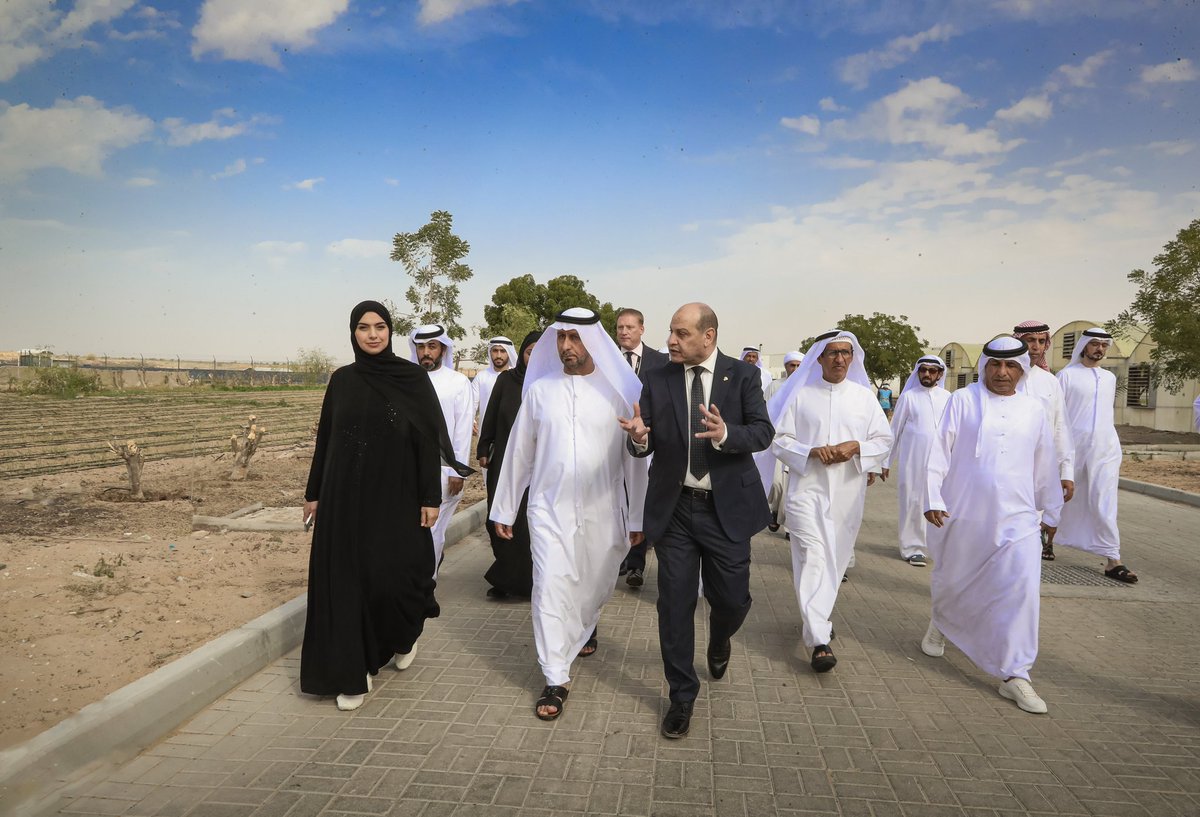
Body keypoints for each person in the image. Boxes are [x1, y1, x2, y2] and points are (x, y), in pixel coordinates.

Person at [300, 301, 471, 711]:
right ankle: (354, 671)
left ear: (390, 332)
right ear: (353, 333)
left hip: (395, 497)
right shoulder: (342, 380)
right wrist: (314, 493)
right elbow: (326, 439)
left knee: (394, 579)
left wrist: (430, 497)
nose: (372, 334)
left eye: (380, 327)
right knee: (346, 583)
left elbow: (426, 440)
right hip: (344, 499)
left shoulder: (410, 378)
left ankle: (403, 634)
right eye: (363, 327)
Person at [619, 303, 773, 739]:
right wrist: (637, 438)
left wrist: (726, 435)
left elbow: (763, 432)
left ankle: (721, 637)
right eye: (670, 331)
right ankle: (681, 696)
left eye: (682, 333)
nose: (671, 340)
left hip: (727, 511)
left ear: (708, 336)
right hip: (676, 511)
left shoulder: (742, 376)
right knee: (674, 606)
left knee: (731, 599)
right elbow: (644, 441)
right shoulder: (657, 378)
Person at [490, 308, 647, 721]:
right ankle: (556, 676)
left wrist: (637, 518)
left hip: (603, 509)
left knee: (594, 584)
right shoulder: (540, 390)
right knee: (548, 587)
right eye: (560, 338)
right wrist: (505, 506)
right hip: (548, 509)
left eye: (574, 339)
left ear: (592, 342)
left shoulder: (618, 392)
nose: (565, 347)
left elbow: (635, 461)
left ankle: (581, 629)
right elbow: (519, 453)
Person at [921, 336, 1063, 714]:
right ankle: (943, 620)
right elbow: (939, 451)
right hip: (964, 512)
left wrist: (1051, 511)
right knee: (954, 580)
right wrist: (932, 497)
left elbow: (1044, 461)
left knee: (1021, 591)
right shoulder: (962, 401)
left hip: (1019, 518)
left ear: (1023, 369)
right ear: (984, 366)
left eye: (1011, 366)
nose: (1002, 373)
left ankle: (1016, 673)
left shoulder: (1034, 409)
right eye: (995, 366)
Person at [767, 330, 892, 673]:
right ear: (819, 358)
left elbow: (884, 439)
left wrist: (856, 447)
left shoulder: (865, 398)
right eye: (832, 353)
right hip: (806, 490)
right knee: (813, 556)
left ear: (853, 358)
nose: (839, 359)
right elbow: (779, 441)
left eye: (846, 353)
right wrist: (810, 451)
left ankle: (814, 620)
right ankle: (819, 640)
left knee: (834, 562)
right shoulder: (801, 395)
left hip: (848, 495)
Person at [1055, 328, 1138, 583]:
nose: (1100, 349)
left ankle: (1113, 559)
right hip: (1073, 446)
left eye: (1104, 344)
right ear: (1083, 346)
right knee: (1060, 497)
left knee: (1104, 500)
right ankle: (1047, 541)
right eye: (1094, 344)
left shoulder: (1109, 378)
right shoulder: (1066, 376)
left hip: (1105, 448)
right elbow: (1058, 416)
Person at [409, 325, 475, 579]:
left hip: (443, 470)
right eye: (421, 347)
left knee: (433, 531)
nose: (426, 352)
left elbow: (461, 428)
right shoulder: (408, 379)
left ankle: (428, 584)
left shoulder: (457, 382)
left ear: (443, 349)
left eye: (432, 347)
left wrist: (457, 471)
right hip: (409, 468)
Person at [477, 330, 539, 599]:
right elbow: (490, 415)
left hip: (537, 466)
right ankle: (506, 576)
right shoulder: (506, 381)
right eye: (529, 351)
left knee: (527, 524)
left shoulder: (550, 384)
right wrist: (483, 447)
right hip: (503, 462)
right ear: (523, 354)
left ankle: (528, 581)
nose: (534, 357)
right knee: (500, 517)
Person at [1012, 320, 1075, 561]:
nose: (1036, 347)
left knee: (1032, 529)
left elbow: (1060, 428)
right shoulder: (1003, 376)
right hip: (1007, 464)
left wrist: (1066, 471)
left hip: (1041, 467)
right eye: (1030, 340)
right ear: (1018, 341)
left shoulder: (1050, 382)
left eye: (1041, 341)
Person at [615, 307, 669, 587]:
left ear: (642, 329)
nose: (624, 332)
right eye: (620, 328)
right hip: (612, 440)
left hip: (648, 441)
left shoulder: (660, 361)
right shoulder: (606, 360)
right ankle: (618, 556)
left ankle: (636, 563)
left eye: (629, 327)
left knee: (642, 500)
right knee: (618, 498)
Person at [889, 355, 950, 567]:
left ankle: (933, 546)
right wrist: (885, 462)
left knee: (937, 501)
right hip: (912, 460)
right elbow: (894, 431)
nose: (927, 374)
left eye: (932, 371)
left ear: (940, 374)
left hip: (942, 462)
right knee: (913, 501)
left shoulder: (948, 397)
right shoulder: (909, 397)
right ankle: (912, 548)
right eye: (923, 370)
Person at [760, 351, 804, 533]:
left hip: (800, 444)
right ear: (786, 367)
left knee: (792, 487)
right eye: (791, 365)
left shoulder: (808, 387)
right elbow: (766, 410)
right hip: (777, 440)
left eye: (798, 365)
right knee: (777, 483)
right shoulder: (775, 386)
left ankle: (788, 527)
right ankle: (774, 510)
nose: (794, 369)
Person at [473, 336, 516, 433]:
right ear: (490, 352)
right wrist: (472, 420)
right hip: (486, 433)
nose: (499, 355)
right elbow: (471, 404)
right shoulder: (481, 377)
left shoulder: (516, 377)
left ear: (509, 353)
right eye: (495, 351)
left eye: (503, 351)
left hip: (511, 434)